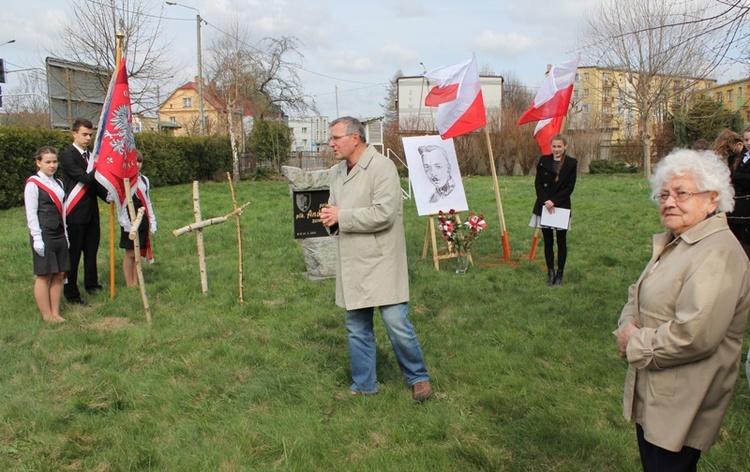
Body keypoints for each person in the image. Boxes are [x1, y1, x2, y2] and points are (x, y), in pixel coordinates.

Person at [615, 149, 750, 472]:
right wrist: (627, 325)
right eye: (663, 194)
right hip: (659, 393)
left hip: (682, 400)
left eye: (682, 193)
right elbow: (638, 291)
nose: (669, 202)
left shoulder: (717, 253)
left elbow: (694, 335)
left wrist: (633, 341)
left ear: (712, 200)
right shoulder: (681, 240)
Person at [320, 116, 431, 402]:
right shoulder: (336, 173)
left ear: (355, 138)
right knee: (356, 326)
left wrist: (341, 217)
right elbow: (334, 210)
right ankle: (364, 385)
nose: (331, 143)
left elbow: (384, 213)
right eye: (330, 138)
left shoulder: (382, 167)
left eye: (336, 138)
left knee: (396, 323)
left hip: (381, 260)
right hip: (353, 262)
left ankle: (418, 378)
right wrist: (330, 219)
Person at [59, 117, 108, 306]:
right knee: (74, 256)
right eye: (84, 134)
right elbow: (85, 179)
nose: (88, 138)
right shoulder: (67, 155)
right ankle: (72, 294)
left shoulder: (91, 157)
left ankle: (92, 285)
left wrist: (108, 196)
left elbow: (95, 185)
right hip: (75, 214)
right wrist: (101, 164)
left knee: (91, 252)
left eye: (90, 134)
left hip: (92, 213)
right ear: (74, 134)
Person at [24, 147, 69, 323]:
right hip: (44, 233)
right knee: (44, 274)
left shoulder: (58, 183)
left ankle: (55, 313)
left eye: (54, 162)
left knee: (59, 273)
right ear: (39, 163)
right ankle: (46, 315)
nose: (52, 165)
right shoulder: (33, 184)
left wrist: (66, 234)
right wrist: (37, 238)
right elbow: (31, 213)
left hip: (59, 232)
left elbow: (63, 212)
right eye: (48, 162)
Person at [529, 134, 578, 286]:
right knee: (548, 241)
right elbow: (538, 184)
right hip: (544, 207)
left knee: (561, 241)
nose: (556, 149)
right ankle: (550, 272)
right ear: (551, 147)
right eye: (554, 146)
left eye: (559, 146)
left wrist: (554, 201)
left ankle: (560, 274)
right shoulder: (544, 161)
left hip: (561, 207)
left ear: (565, 147)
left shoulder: (571, 163)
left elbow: (570, 186)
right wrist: (546, 201)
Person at [118, 150, 157, 286]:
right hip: (129, 219)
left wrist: (152, 220)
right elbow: (120, 204)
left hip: (143, 218)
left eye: (140, 162)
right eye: (135, 162)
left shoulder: (144, 180)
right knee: (130, 253)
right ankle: (130, 283)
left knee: (138, 253)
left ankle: (137, 280)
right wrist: (126, 224)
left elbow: (148, 201)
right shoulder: (124, 181)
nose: (138, 165)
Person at [724, 127, 750, 256]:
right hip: (735, 207)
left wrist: (736, 176)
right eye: (746, 139)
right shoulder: (738, 157)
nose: (749, 142)